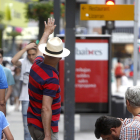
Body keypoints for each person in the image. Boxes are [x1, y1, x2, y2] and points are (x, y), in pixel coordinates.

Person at [27, 18, 70, 140]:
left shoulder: (36, 64)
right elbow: (46, 108)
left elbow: (39, 49)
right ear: (60, 57)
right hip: (44, 128)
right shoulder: (51, 79)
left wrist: (46, 33)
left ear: (45, 53)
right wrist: (47, 135)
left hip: (32, 124)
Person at [11, 42, 37, 140]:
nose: (31, 57)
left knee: (39, 129)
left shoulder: (41, 62)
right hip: (26, 99)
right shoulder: (24, 61)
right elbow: (14, 61)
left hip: (38, 99)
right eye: (29, 54)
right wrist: (25, 48)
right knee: (26, 129)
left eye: (33, 54)